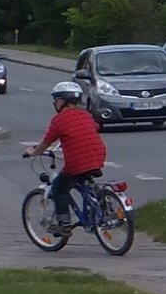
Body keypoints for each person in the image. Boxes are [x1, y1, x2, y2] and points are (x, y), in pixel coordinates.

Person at [22, 81, 107, 235]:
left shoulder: (59, 120)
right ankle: (98, 209)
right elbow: (94, 128)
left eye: (56, 100)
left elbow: (46, 143)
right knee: (84, 181)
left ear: (62, 101)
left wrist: (33, 152)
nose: (55, 103)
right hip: (98, 156)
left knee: (59, 188)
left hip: (78, 162)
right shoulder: (86, 115)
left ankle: (64, 224)